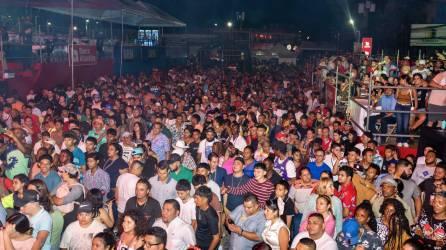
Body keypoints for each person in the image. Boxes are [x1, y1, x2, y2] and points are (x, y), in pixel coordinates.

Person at [194, 186, 220, 250]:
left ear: (205, 199)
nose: (194, 200)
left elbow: (216, 238)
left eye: (197, 198)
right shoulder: (198, 206)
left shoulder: (211, 216)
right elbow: (197, 222)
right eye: (195, 197)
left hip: (207, 245)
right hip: (198, 242)